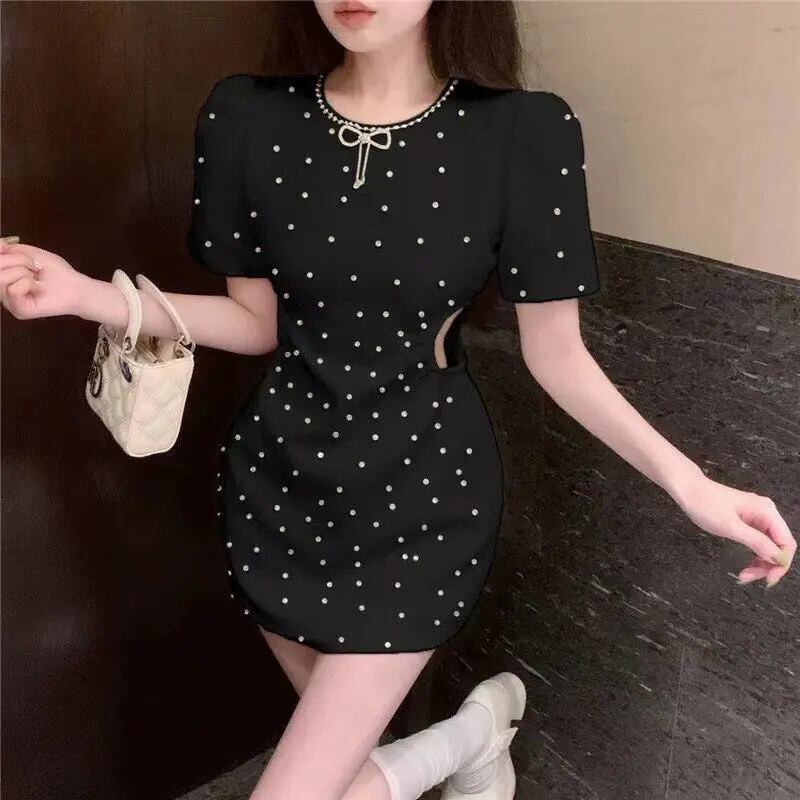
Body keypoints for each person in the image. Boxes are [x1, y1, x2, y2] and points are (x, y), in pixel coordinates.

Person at [1, 1, 795, 799]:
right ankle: (472, 740)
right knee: (347, 770)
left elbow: (558, 356)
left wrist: (690, 481)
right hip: (278, 487)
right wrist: (86, 296)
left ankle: (468, 741)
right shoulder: (246, 117)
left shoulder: (522, 132)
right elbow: (255, 324)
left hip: (422, 496)